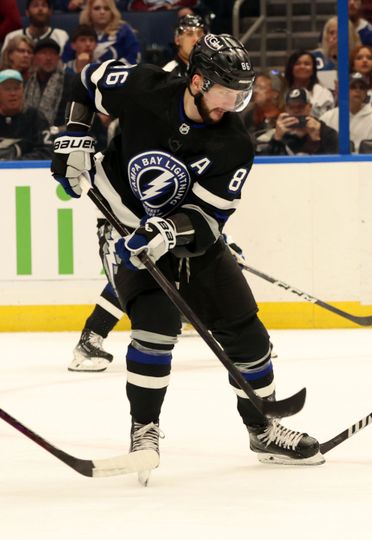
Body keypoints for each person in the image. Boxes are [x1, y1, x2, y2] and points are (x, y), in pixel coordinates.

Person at [49, 34, 324, 481]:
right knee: (154, 330)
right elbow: (84, 81)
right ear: (197, 81)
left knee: (250, 339)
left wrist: (170, 229)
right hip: (125, 226)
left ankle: (264, 428)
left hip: (193, 241)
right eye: (226, 92)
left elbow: (210, 216)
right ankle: (144, 430)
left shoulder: (234, 144)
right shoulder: (141, 87)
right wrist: (77, 133)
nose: (234, 104)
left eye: (242, 94)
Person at [61, 0, 141, 67]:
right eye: (97, 8)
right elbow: (66, 59)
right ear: (89, 12)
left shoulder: (124, 30)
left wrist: (116, 69)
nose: (102, 12)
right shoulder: (82, 31)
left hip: (119, 76)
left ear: (112, 12)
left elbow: (134, 56)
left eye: (106, 8)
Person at [265, 87, 339, 155]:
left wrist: (316, 139)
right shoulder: (282, 134)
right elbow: (266, 164)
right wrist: (276, 138)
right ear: (286, 109)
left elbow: (334, 163)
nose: (296, 111)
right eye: (291, 107)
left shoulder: (326, 132)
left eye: (300, 106)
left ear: (309, 107)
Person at [320, 72, 372, 152]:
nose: (358, 90)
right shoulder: (328, 117)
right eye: (353, 87)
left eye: (362, 88)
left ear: (366, 92)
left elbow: (368, 151)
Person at [0, 68, 52, 160]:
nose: (13, 93)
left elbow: (47, 152)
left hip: (27, 172)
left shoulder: (35, 117)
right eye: (7, 89)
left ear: (23, 90)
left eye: (17, 88)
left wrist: (15, 163)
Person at [23, 37, 73, 126]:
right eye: (44, 53)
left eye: (53, 53)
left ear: (58, 58)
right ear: (34, 58)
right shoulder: (27, 83)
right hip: (29, 133)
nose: (49, 58)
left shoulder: (70, 83)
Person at [1, 0, 69, 55]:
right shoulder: (12, 37)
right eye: (35, 5)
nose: (40, 9)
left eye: (44, 5)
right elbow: (3, 64)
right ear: (27, 12)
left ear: (50, 12)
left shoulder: (61, 36)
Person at [284, 50, 335, 119]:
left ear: (313, 70)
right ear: (291, 68)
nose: (302, 67)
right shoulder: (282, 92)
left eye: (307, 64)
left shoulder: (323, 93)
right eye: (297, 64)